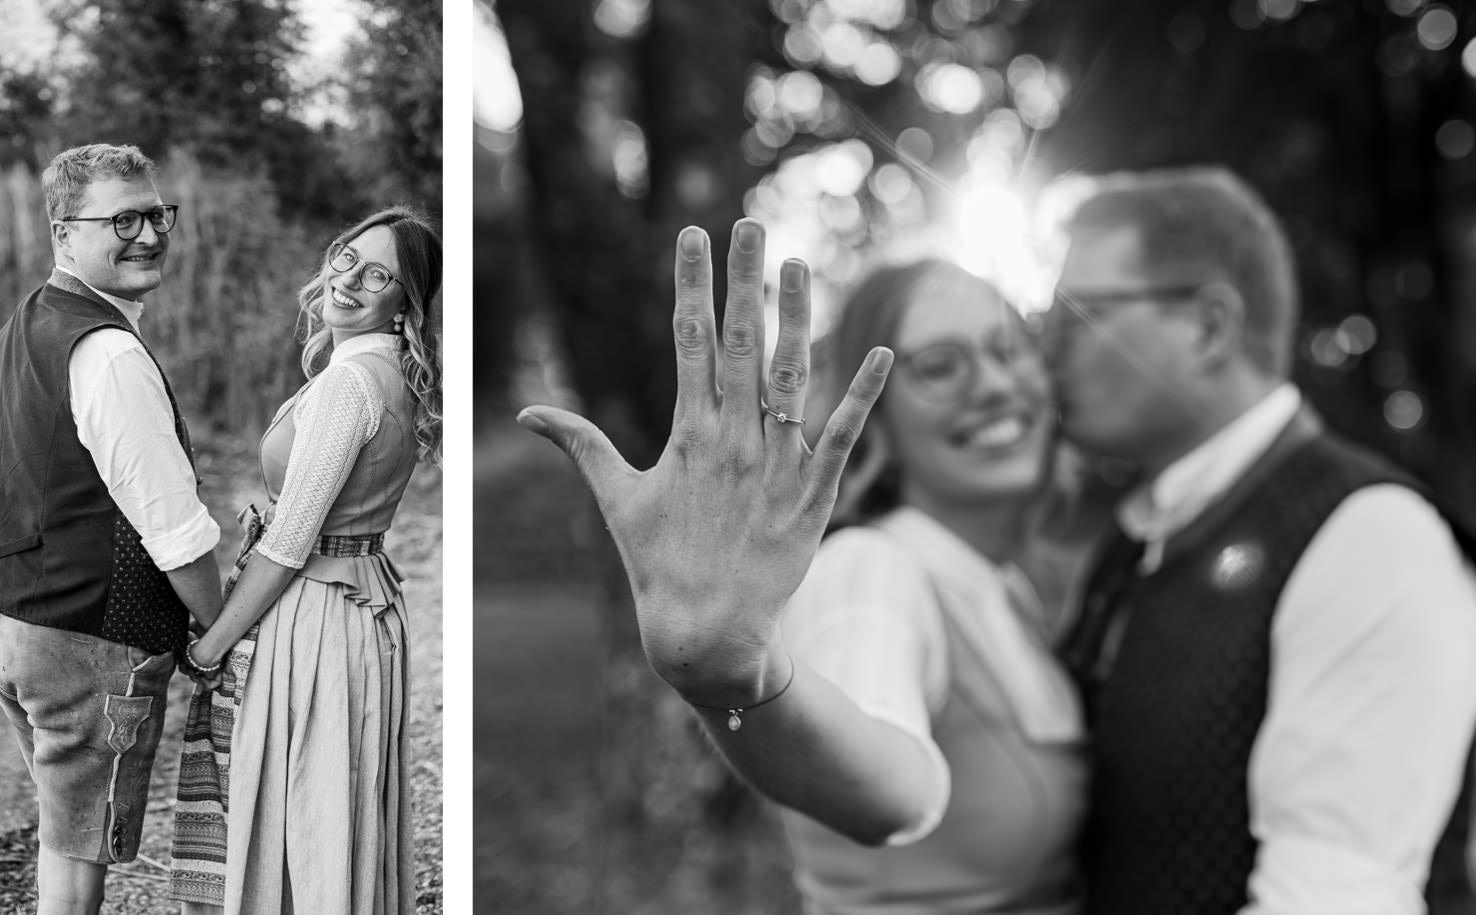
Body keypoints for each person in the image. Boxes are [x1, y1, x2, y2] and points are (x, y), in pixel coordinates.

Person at [1043, 165, 1476, 915]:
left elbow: (1336, 899)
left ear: (1209, 327)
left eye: (1080, 315)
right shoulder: (1133, 545)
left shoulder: (1368, 535)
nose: (1049, 351)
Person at [775, 258, 1087, 913]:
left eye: (1009, 349)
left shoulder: (1003, 586)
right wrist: (730, 684)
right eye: (941, 365)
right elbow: (877, 777)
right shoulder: (869, 571)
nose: (997, 384)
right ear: (875, 421)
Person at [166, 206, 442, 915]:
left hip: (319, 614)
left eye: (377, 274)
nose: (348, 278)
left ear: (402, 303)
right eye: (347, 256)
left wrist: (210, 646)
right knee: (328, 801)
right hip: (361, 600)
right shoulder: (383, 372)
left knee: (300, 808)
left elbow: (291, 543)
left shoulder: (351, 385)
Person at [0, 144, 224, 915]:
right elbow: (177, 532)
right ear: (65, 232)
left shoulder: (31, 317)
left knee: (64, 838)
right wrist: (219, 629)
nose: (150, 233)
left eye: (157, 213)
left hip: (23, 626)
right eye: (122, 218)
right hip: (91, 639)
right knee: (78, 851)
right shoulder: (107, 352)